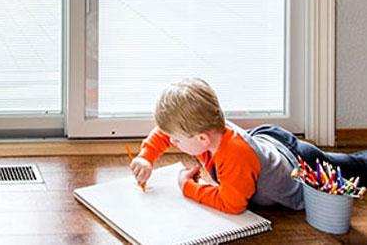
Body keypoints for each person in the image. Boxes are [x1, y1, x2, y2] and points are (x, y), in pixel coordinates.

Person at [130, 78, 367, 214]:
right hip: (268, 144)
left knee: (354, 167)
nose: (172, 142)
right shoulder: (207, 127)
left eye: (177, 140)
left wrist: (187, 187)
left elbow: (232, 204)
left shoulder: (234, 156)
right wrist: (146, 157)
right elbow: (165, 131)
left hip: (299, 163)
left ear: (202, 139)